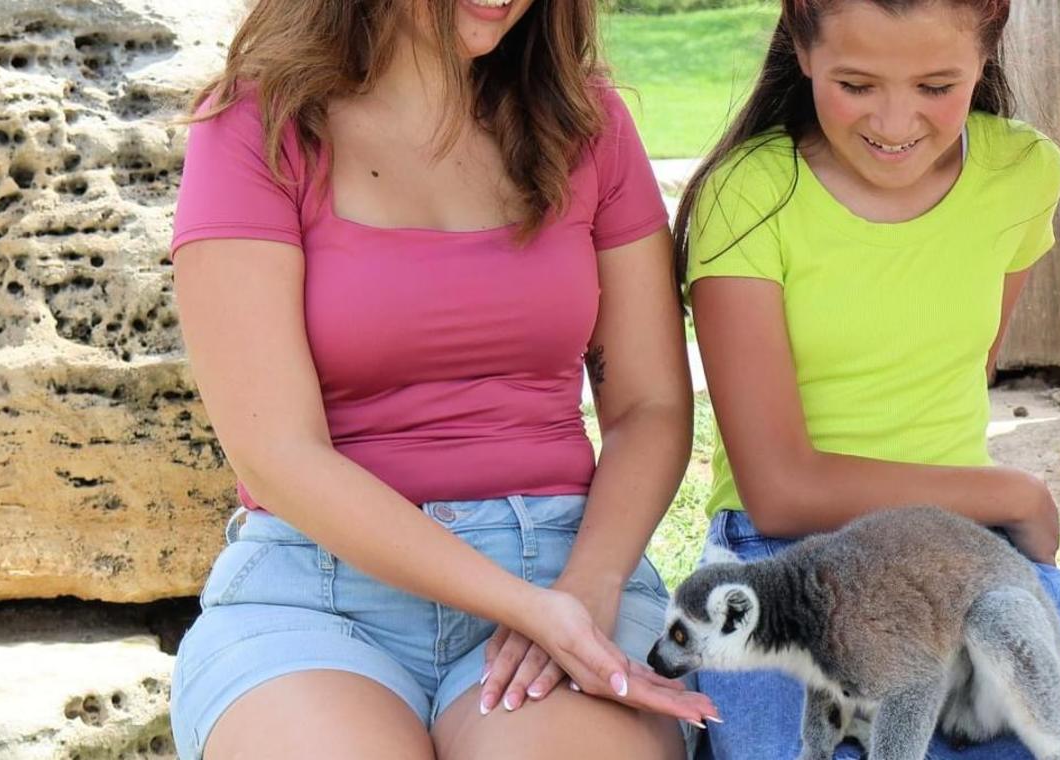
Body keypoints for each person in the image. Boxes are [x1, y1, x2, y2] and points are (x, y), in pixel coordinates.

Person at [166, 0, 717, 756]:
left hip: (565, 561)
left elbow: (650, 406)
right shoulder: (258, 126)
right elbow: (278, 453)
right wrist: (523, 607)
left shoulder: (586, 123)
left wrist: (580, 595)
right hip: (316, 588)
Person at [671, 0, 1060, 758]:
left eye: (935, 86)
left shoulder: (1021, 171)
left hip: (951, 554)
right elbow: (779, 488)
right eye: (858, 84)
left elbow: (970, 364)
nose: (896, 122)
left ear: (987, 54)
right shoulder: (750, 193)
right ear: (801, 45)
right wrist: (1009, 493)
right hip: (778, 562)